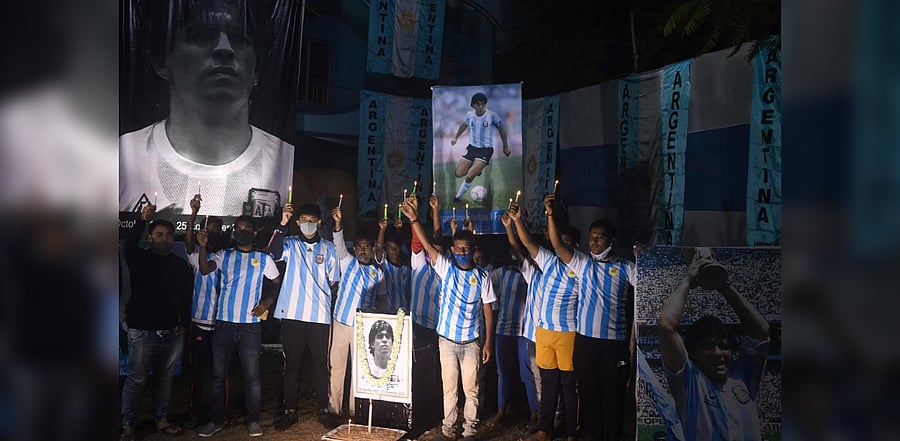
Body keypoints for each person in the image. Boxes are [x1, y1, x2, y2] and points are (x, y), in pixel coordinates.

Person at [119, 0, 293, 216]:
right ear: (161, 60)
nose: (224, 49)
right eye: (201, 36)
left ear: (256, 70)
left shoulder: (285, 159)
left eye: (239, 39)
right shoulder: (122, 155)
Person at [402, 195, 496, 441]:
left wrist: (487, 343)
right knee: (450, 389)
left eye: (467, 248)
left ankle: (469, 431)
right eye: (458, 248)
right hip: (447, 342)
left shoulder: (483, 278)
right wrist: (413, 219)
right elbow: (428, 242)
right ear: (452, 250)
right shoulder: (446, 267)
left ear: (474, 250)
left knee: (471, 390)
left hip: (472, 342)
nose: (462, 252)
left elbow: (487, 310)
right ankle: (448, 429)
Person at [658, 250, 771, 441]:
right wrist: (687, 280)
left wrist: (723, 285)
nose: (718, 353)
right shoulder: (690, 381)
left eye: (724, 346)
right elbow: (666, 324)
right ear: (692, 353)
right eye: (708, 346)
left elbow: (761, 330)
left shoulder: (742, 376)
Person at [550, 192, 635, 441]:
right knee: (589, 398)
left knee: (613, 400)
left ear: (613, 241)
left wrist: (645, 257)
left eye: (600, 238)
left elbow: (652, 285)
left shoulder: (626, 267)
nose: (594, 242)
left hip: (613, 347)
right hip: (586, 344)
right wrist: (551, 214)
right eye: (592, 237)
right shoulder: (583, 264)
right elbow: (557, 245)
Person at [195, 215, 281, 438]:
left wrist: (267, 302)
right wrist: (203, 248)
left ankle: (253, 420)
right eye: (238, 228)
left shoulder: (263, 259)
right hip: (224, 323)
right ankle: (215, 420)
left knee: (252, 376)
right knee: (218, 375)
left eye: (247, 228)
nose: (242, 231)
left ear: (254, 232)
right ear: (234, 231)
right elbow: (205, 270)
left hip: (250, 326)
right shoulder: (225, 256)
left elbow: (276, 282)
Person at [119, 204, 193, 441]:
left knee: (165, 378)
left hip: (172, 332)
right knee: (136, 379)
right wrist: (142, 220)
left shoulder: (179, 264)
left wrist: (184, 324)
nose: (164, 238)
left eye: (169, 235)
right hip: (142, 331)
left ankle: (161, 420)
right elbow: (128, 245)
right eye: (159, 234)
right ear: (150, 237)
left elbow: (185, 297)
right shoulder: (138, 257)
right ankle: (129, 426)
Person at [508, 201, 580, 441]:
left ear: (576, 247)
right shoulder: (549, 262)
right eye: (559, 243)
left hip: (568, 333)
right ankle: (544, 429)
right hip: (544, 334)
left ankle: (571, 433)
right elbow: (528, 244)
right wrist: (518, 220)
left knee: (569, 387)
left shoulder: (580, 268)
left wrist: (551, 214)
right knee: (549, 385)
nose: (561, 247)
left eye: (566, 244)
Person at [269, 202, 339, 431]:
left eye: (312, 221)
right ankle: (290, 410)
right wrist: (282, 224)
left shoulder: (328, 248)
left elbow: (334, 281)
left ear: (319, 222)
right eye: (303, 221)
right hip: (292, 315)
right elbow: (273, 253)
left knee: (321, 364)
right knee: (292, 364)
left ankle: (323, 409)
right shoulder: (290, 244)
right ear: (297, 222)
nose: (308, 225)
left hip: (319, 316)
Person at [329, 205, 384, 420]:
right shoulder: (348, 262)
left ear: (372, 249)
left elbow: (381, 300)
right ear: (355, 249)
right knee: (337, 368)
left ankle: (354, 410)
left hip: (363, 328)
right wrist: (338, 224)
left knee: (359, 370)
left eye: (366, 247)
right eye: (359, 247)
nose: (362, 250)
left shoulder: (378, 274)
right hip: (341, 323)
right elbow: (338, 244)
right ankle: (334, 409)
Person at [485, 222, 538, 429]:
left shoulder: (531, 273)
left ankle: (535, 413)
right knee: (503, 374)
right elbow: (484, 281)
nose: (514, 256)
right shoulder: (502, 272)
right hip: (502, 331)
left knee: (527, 375)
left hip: (523, 332)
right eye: (512, 253)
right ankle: (501, 411)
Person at [183, 194, 225, 428]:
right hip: (199, 321)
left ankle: (219, 413)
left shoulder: (225, 256)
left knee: (221, 373)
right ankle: (195, 413)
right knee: (197, 373)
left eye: (217, 230)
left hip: (221, 324)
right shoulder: (193, 256)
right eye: (209, 230)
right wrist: (193, 214)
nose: (212, 233)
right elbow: (189, 240)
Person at [449, 92, 510, 203]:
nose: (481, 107)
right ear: (473, 105)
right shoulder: (469, 115)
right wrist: (456, 137)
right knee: (458, 173)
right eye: (478, 104)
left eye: (483, 104)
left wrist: (505, 146)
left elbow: (501, 129)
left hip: (485, 150)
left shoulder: (492, 116)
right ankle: (477, 168)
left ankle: (458, 197)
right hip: (472, 148)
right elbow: (463, 125)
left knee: (469, 176)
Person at [375, 219, 411, 313]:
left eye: (395, 247)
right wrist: (382, 230)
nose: (393, 250)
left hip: (404, 313)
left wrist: (399, 231)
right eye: (390, 247)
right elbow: (379, 248)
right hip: (386, 313)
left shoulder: (406, 268)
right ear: (386, 249)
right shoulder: (384, 265)